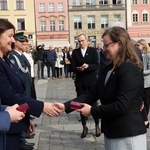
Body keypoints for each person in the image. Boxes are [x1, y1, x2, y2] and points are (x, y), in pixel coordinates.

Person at [55, 26, 147, 150]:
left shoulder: (130, 68)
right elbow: (91, 94)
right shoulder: (109, 68)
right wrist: (66, 106)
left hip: (127, 134)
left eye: (106, 45)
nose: (103, 50)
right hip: (112, 133)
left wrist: (92, 111)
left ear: (119, 44)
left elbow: (121, 105)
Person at [0, 19, 60, 150]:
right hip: (6, 129)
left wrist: (26, 120)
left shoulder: (5, 60)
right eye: (10, 36)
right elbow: (9, 96)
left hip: (14, 124)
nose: (13, 41)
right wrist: (42, 106)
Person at [68, 32, 100, 138]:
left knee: (93, 104)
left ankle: (97, 124)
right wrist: (78, 68)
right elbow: (71, 67)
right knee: (80, 104)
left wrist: (88, 66)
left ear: (86, 40)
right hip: (80, 82)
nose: (81, 43)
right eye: (79, 41)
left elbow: (96, 65)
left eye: (82, 40)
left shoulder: (93, 51)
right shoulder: (75, 52)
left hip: (91, 82)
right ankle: (84, 126)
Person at [137, 39, 150, 127]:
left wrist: (141, 72)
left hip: (147, 82)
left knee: (146, 101)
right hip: (140, 82)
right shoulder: (138, 55)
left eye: (138, 45)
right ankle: (144, 119)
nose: (137, 47)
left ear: (143, 45)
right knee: (141, 101)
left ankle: (146, 120)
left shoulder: (148, 55)